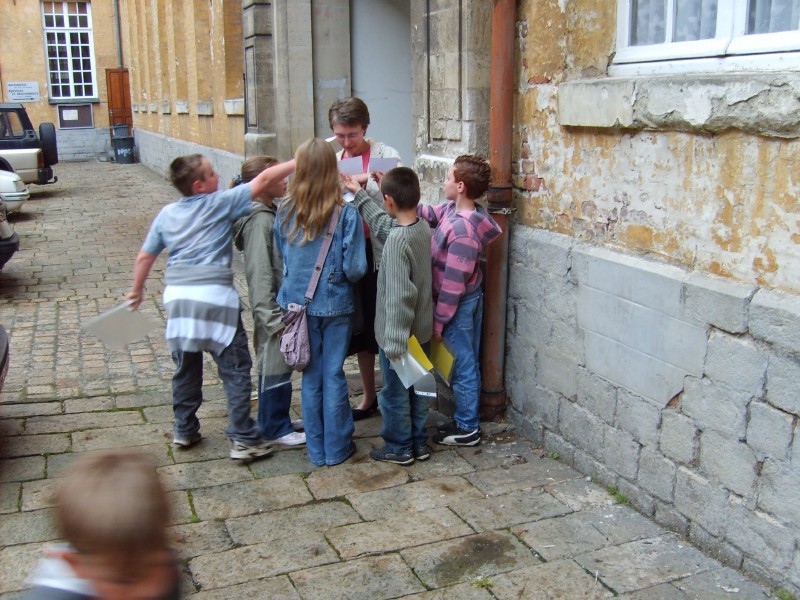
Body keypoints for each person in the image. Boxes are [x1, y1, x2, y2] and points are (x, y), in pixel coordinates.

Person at [127, 153, 295, 461]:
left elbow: (144, 257)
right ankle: (244, 439)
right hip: (215, 300)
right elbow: (266, 179)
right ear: (199, 185)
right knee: (235, 369)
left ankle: (184, 428)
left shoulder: (166, 214)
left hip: (179, 302)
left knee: (186, 369)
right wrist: (301, 159)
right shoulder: (218, 203)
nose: (218, 176)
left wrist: (136, 292)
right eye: (211, 173)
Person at [274, 138, 367, 467]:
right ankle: (337, 448)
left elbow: (282, 257)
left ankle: (316, 450)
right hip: (336, 303)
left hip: (297, 307)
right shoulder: (346, 212)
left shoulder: (284, 209)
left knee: (311, 377)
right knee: (333, 374)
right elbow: (356, 268)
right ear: (333, 168)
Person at [343, 167, 433, 465]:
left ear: (389, 200)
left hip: (400, 338)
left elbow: (398, 297)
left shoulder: (396, 242)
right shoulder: (420, 228)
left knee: (394, 395)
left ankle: (398, 446)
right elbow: (385, 225)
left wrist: (394, 343)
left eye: (384, 200)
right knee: (419, 390)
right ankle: (419, 442)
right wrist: (360, 196)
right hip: (421, 333)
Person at [417, 155, 501, 447]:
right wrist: (387, 192)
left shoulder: (463, 232)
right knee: (464, 361)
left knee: (463, 364)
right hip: (460, 302)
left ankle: (468, 428)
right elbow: (427, 212)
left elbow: (453, 286)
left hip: (457, 306)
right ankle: (466, 419)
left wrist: (439, 322)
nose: (444, 182)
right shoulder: (453, 210)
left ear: (461, 186)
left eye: (449, 177)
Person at [328, 97, 402, 421]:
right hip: (350, 255)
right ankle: (369, 395)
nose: (346, 142)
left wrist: (361, 183)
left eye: (352, 134)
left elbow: (394, 199)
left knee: (384, 325)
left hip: (380, 255)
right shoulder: (334, 159)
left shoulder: (386, 155)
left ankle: (396, 394)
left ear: (365, 128)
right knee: (360, 329)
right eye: (340, 135)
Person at [21, 450, 180, 600]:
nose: (149, 589)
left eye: (156, 565)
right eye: (124, 580)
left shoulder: (163, 568)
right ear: (74, 564)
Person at [233, 156, 306, 447]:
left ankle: (278, 418)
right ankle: (274, 426)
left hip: (277, 305)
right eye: (279, 177)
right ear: (262, 183)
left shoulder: (268, 212)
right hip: (272, 309)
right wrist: (272, 318)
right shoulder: (259, 221)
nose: (286, 180)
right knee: (273, 364)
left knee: (280, 364)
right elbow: (259, 274)